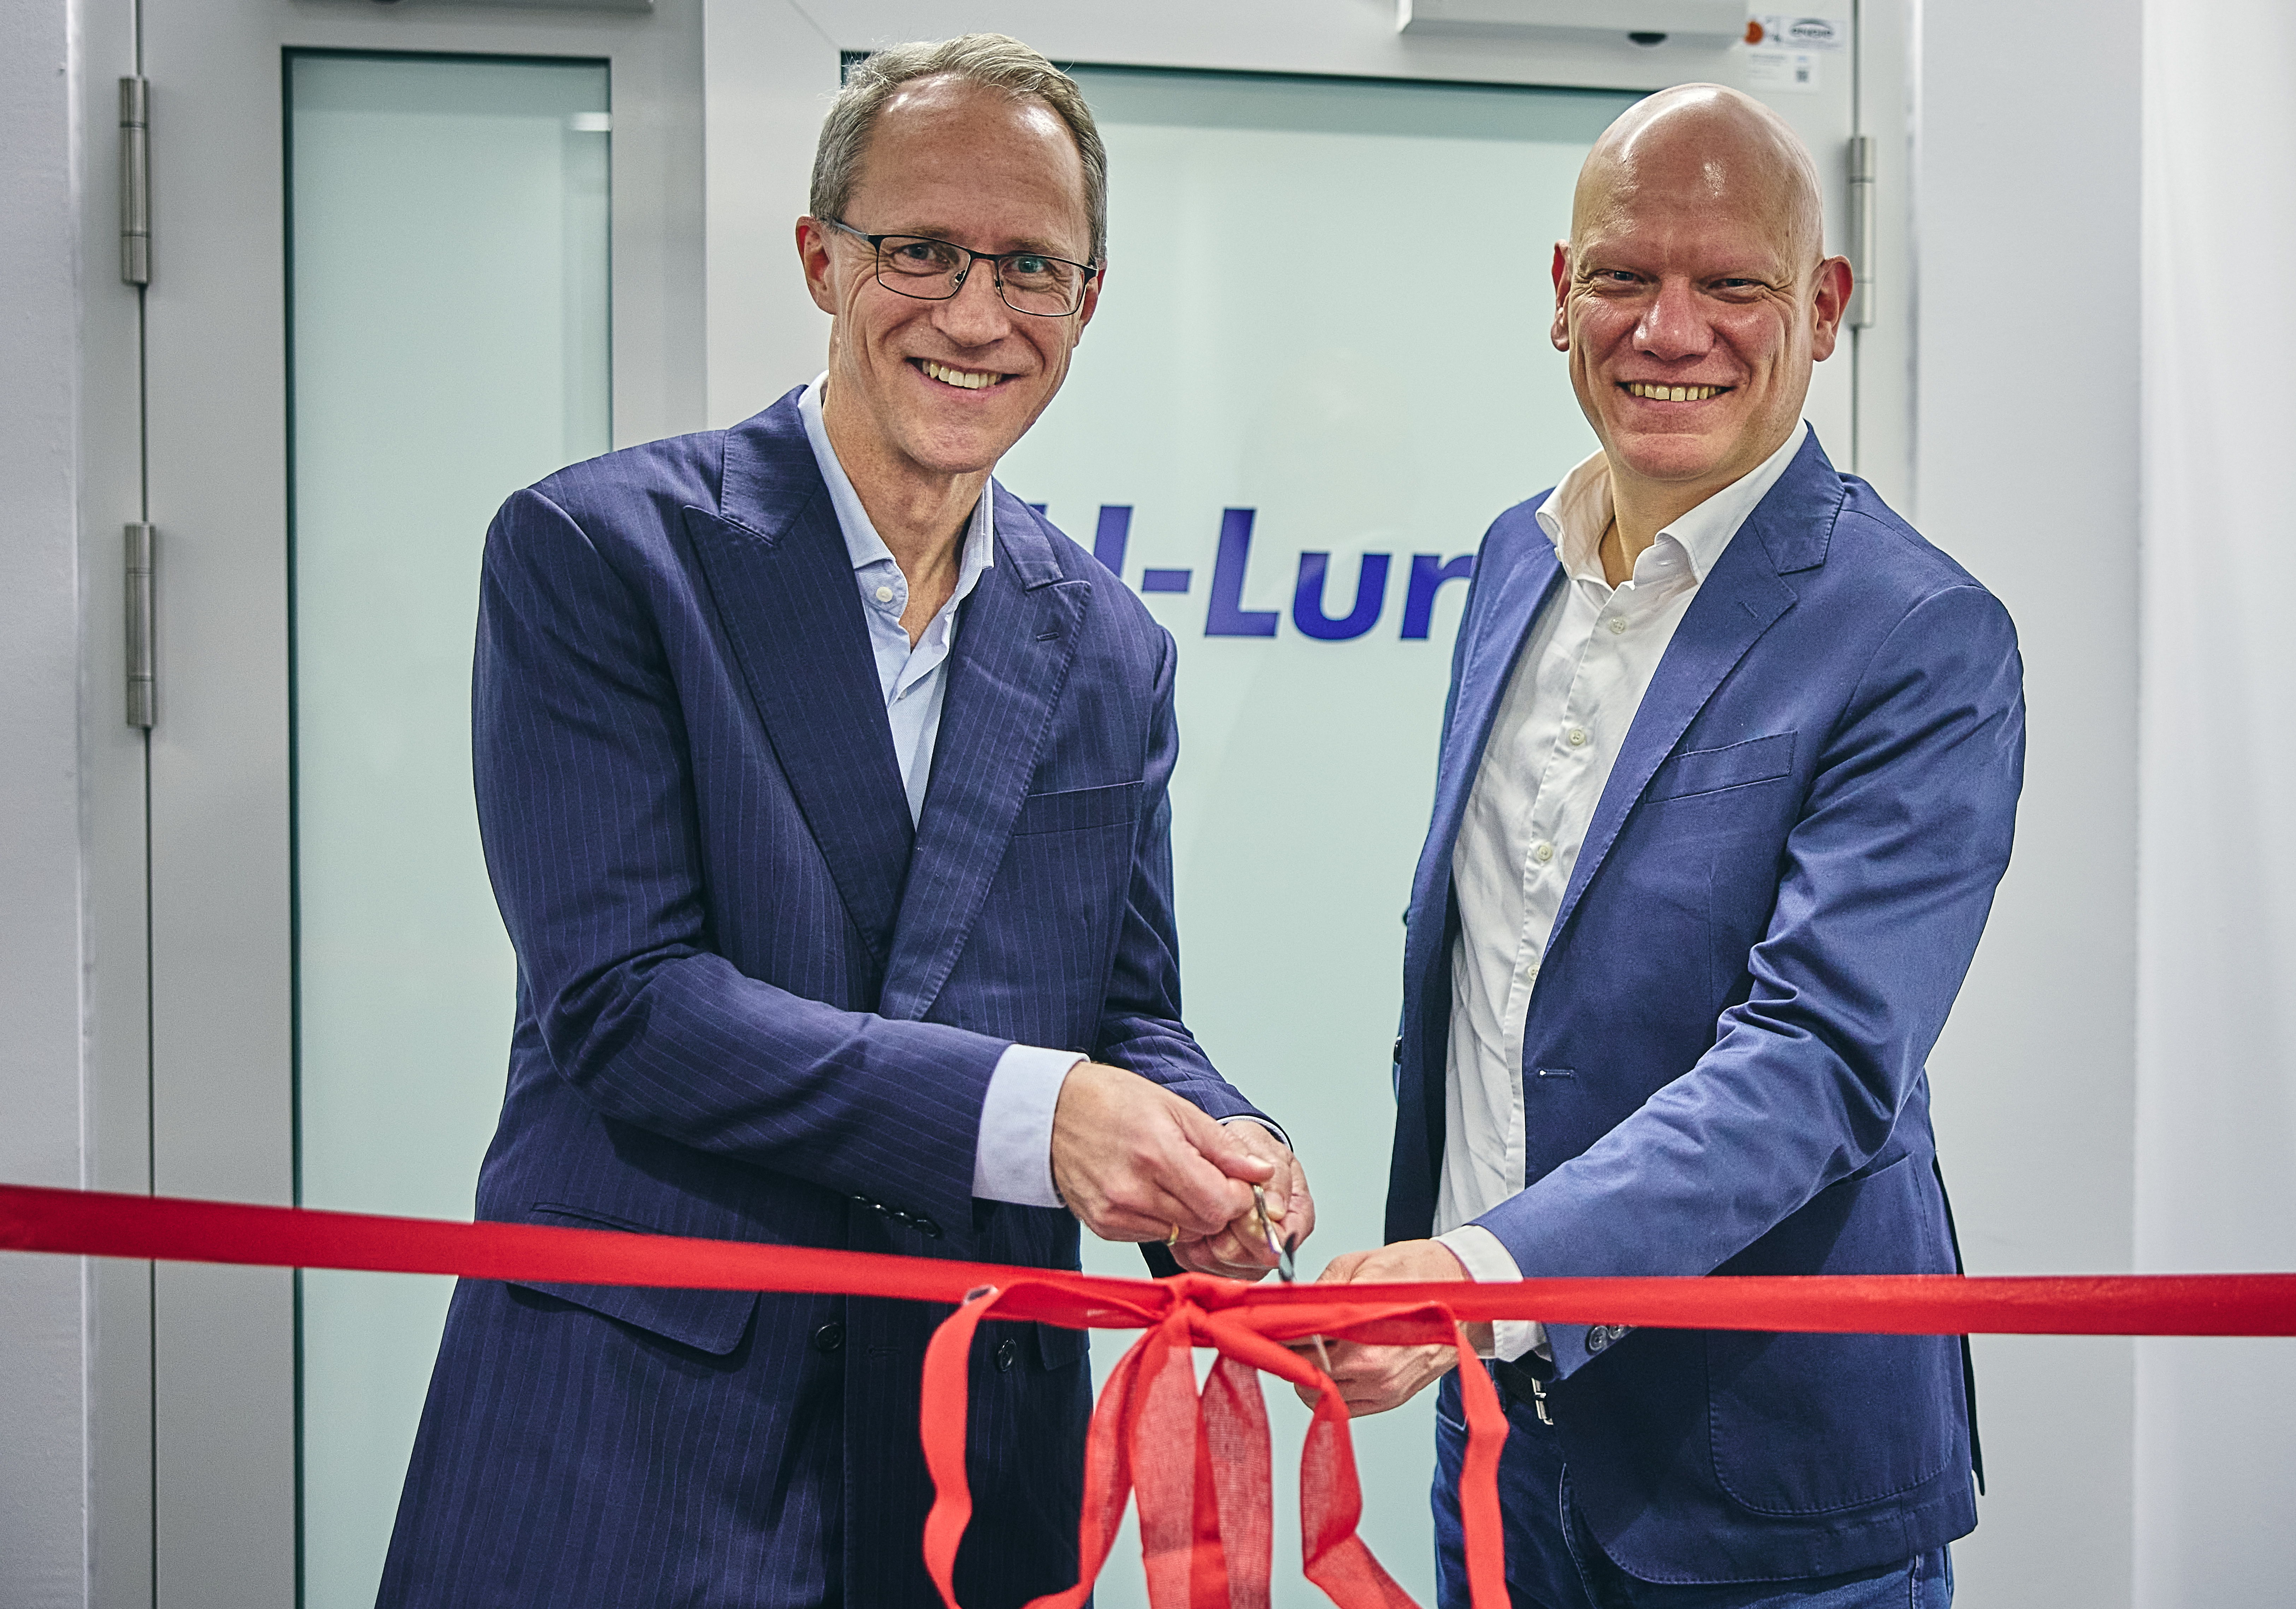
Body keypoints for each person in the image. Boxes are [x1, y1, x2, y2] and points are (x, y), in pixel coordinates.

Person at [378, 35, 1312, 1609]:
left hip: (969, 1445)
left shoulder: (1107, 648)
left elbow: (1119, 1013)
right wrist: (1045, 1117)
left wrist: (1221, 1149)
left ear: (1088, 302)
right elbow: (626, 1007)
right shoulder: (601, 555)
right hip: (637, 1438)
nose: (971, 311)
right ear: (820, 259)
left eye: (1028, 263)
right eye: (920, 250)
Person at [1310, 85, 2021, 1607]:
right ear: (1557, 296)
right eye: (1623, 275)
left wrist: (1480, 1270)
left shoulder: (1918, 634)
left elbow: (1819, 1057)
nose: (1668, 328)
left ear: (1822, 308)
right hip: (1499, 1434)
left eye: (1731, 284)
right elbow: (1502, 976)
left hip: (1762, 1473)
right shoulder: (1515, 558)